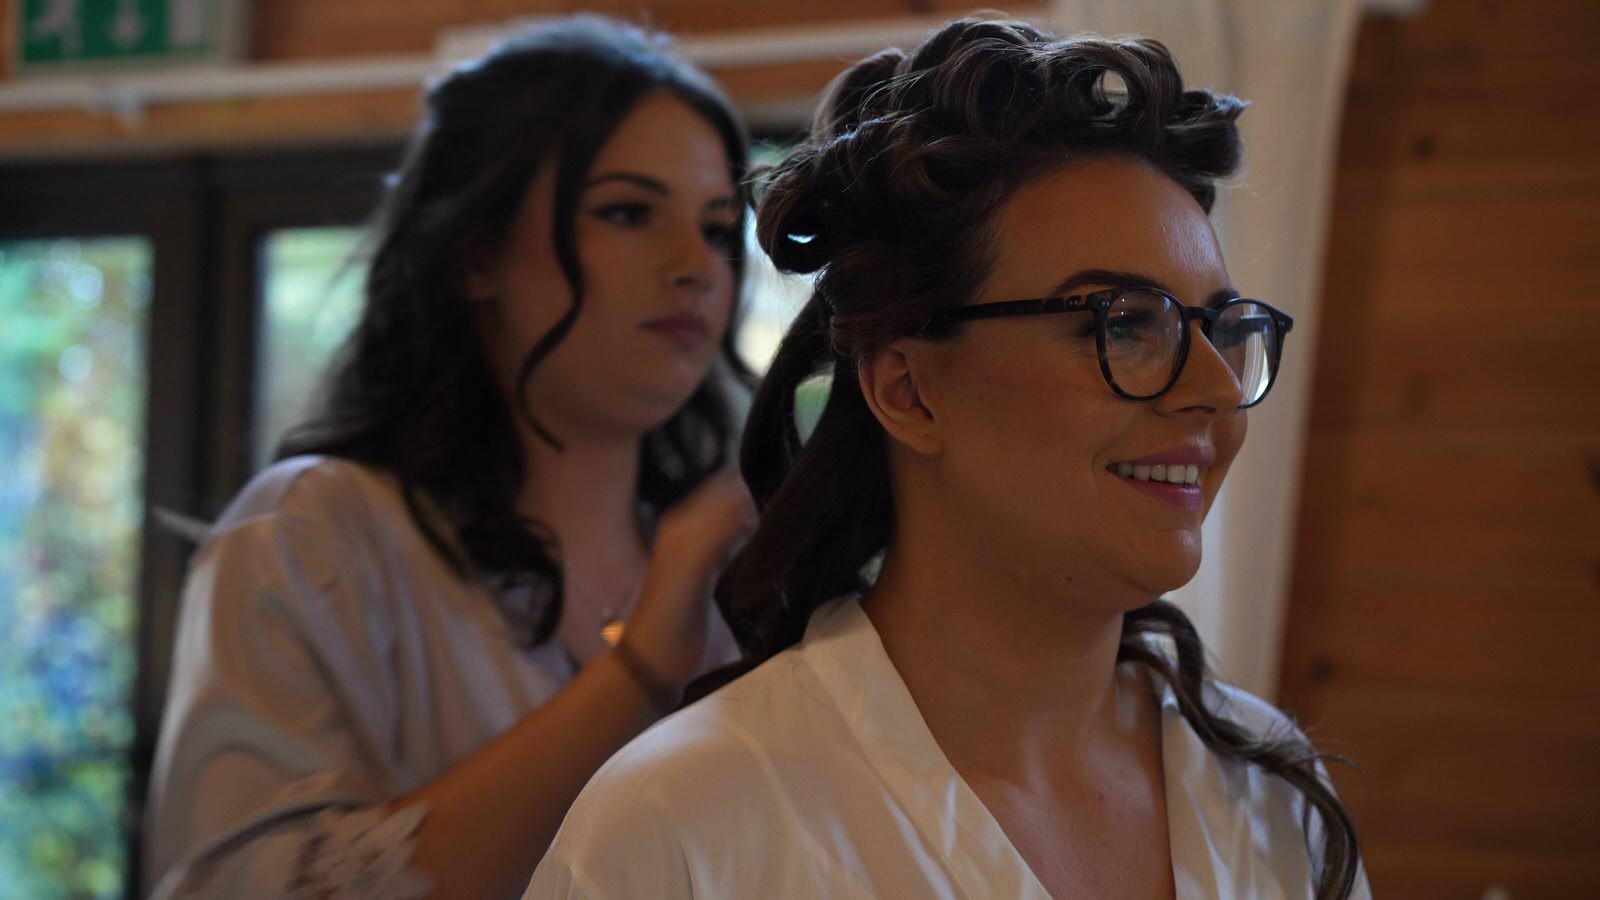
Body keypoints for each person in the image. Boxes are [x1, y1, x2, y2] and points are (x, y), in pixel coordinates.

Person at [529, 18, 1370, 900]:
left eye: (1222, 328)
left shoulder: (1270, 788)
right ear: (908, 391)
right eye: (1124, 322)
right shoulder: (687, 825)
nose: (1209, 387)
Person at [143, 15, 756, 899]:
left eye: (716, 228)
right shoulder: (314, 535)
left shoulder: (745, 576)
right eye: (628, 212)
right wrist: (640, 671)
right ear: (476, 254)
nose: (695, 264)